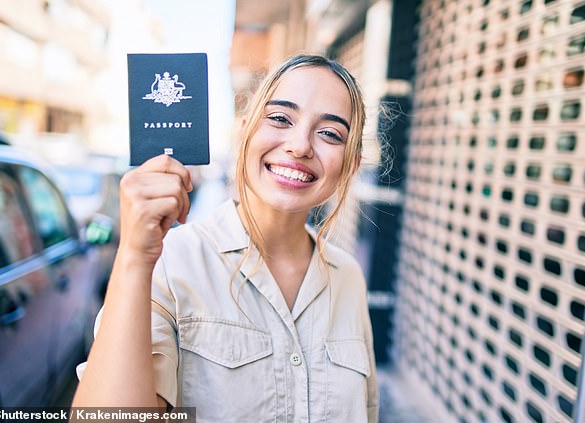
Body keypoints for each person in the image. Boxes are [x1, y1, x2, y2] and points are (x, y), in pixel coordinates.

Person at [73, 54, 379, 422]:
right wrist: (134, 258)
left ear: (352, 164)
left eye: (330, 133)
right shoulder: (171, 262)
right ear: (245, 131)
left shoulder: (348, 277)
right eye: (280, 118)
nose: (300, 146)